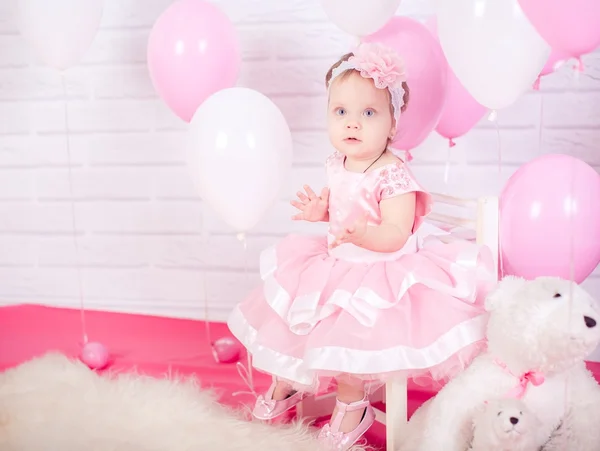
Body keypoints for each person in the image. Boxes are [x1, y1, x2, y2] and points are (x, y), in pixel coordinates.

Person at [227, 42, 495, 450]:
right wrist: (321, 211)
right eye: (341, 112)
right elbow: (340, 208)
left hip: (382, 273)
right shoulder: (338, 164)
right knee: (297, 313)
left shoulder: (394, 175)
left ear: (391, 125)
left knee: (352, 333)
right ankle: (291, 379)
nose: (352, 124)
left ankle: (354, 404)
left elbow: (396, 233)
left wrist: (364, 235)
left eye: (368, 113)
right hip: (338, 261)